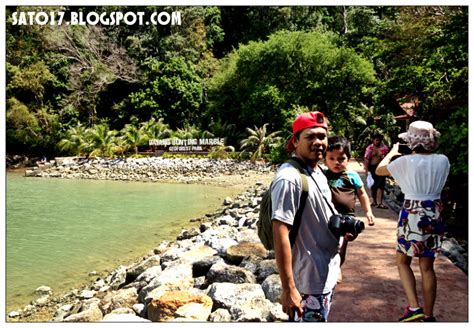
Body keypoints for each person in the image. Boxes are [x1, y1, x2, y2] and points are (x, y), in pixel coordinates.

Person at [271, 111, 353, 322]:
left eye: (322, 136)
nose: (318, 142)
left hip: (325, 273)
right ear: (295, 141)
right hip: (307, 281)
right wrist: (289, 288)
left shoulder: (317, 171)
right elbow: (280, 232)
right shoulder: (289, 178)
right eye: (310, 137)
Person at [376, 121, 450, 322]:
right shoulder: (443, 160)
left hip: (413, 212)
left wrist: (392, 151)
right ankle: (429, 315)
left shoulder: (405, 162)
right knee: (427, 266)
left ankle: (414, 307)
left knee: (402, 261)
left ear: (411, 142)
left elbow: (380, 170)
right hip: (434, 211)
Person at [324, 136, 375, 268]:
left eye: (341, 158)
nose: (336, 162)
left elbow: (362, 194)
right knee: (327, 245)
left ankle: (337, 269)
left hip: (346, 217)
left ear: (348, 158)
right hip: (327, 215)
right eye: (331, 158)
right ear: (324, 160)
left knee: (342, 245)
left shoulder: (352, 176)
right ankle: (330, 269)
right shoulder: (322, 175)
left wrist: (368, 212)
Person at [364, 133, 389, 208]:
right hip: (372, 168)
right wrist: (366, 169)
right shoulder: (370, 148)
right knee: (373, 185)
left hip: (381, 167)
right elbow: (366, 159)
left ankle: (380, 203)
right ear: (373, 140)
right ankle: (374, 201)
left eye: (379, 140)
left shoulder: (384, 148)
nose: (377, 142)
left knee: (381, 185)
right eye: (376, 140)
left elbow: (387, 158)